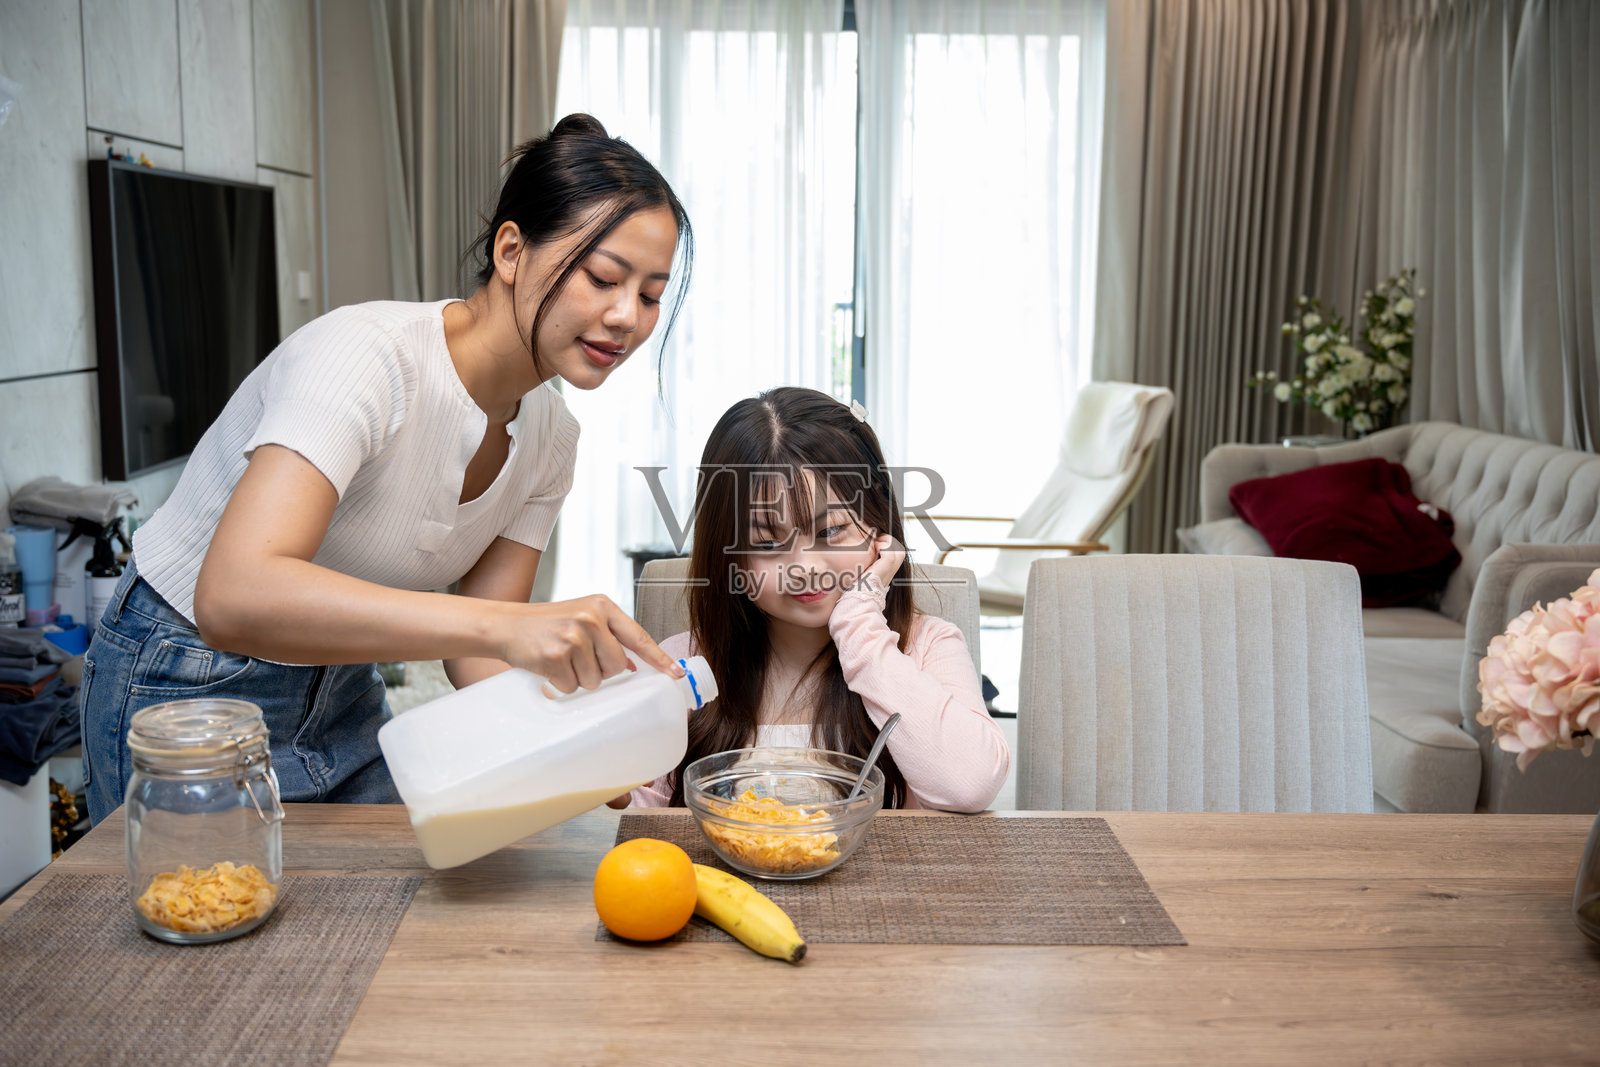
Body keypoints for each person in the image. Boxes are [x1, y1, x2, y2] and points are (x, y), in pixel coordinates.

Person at [82, 114, 692, 824]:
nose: (627, 316)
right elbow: (233, 594)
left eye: (651, 295)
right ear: (511, 250)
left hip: (341, 683)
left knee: (385, 921)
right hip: (187, 678)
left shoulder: (553, 438)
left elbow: (479, 659)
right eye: (604, 278)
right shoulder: (368, 358)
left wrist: (583, 744)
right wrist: (503, 627)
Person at [619, 387, 1009, 811]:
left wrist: (859, 626)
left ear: (879, 525)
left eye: (830, 532)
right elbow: (644, 829)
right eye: (766, 543)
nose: (804, 568)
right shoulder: (687, 665)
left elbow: (970, 784)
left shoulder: (927, 648)